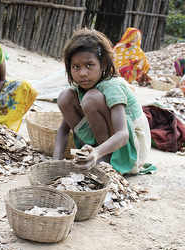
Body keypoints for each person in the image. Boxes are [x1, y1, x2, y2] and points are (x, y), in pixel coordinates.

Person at [53, 28, 151, 175]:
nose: (83, 73)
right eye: (76, 67)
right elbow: (63, 130)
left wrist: (97, 153)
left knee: (91, 99)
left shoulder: (112, 85)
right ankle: (93, 154)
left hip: (131, 148)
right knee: (65, 97)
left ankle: (105, 160)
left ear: (103, 64)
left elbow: (123, 134)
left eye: (89, 65)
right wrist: (55, 163)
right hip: (102, 146)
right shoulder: (78, 87)